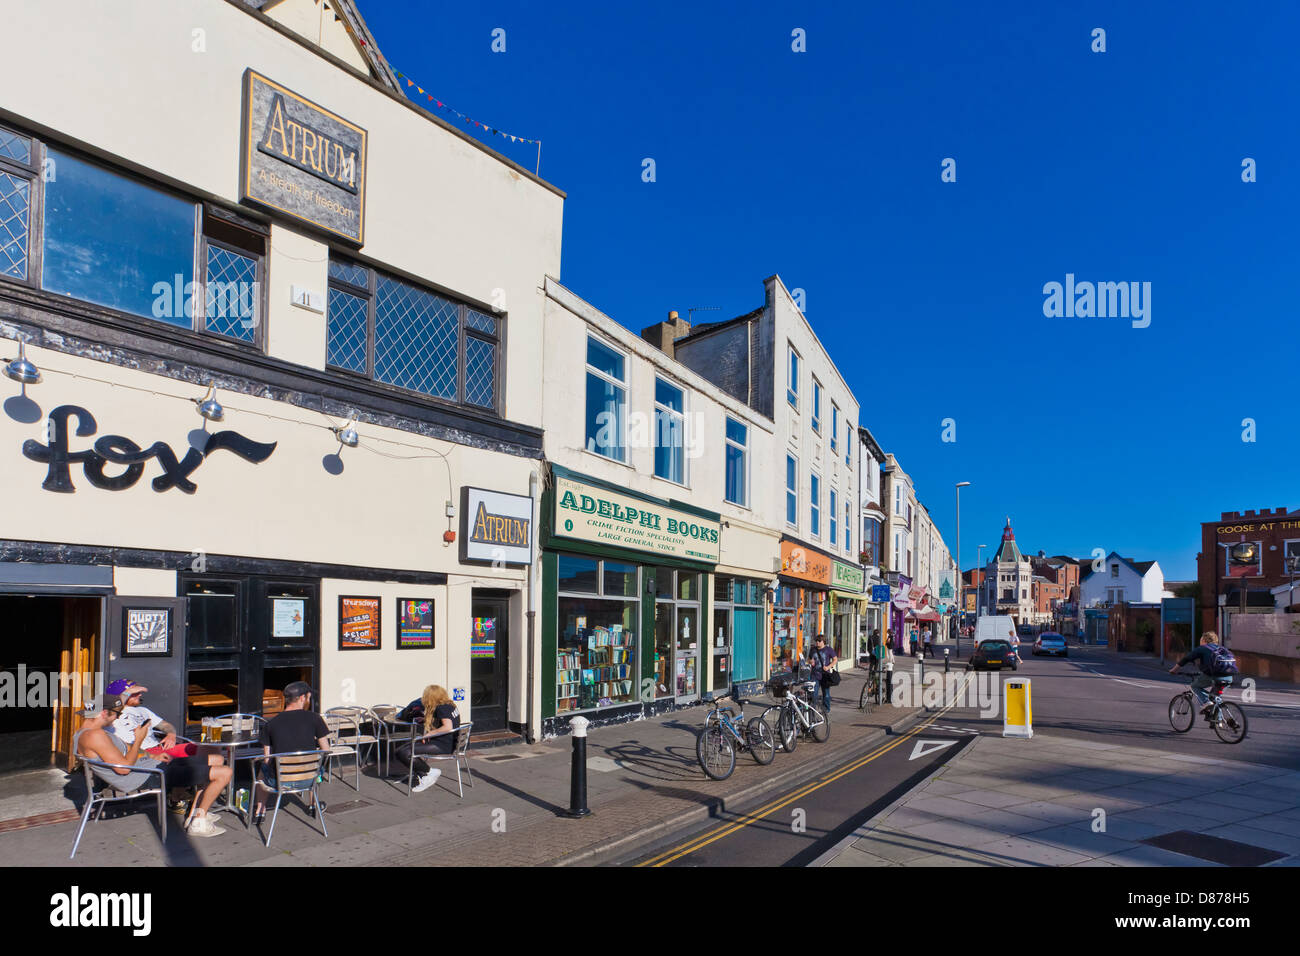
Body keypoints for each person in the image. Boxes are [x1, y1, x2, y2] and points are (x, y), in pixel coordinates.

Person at [77, 693, 232, 837]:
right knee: (225, 772)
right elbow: (123, 769)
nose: (116, 719)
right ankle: (199, 823)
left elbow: (128, 750)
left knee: (216, 759)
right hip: (146, 775)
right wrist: (139, 738)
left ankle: (196, 813)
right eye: (117, 714)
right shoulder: (95, 735)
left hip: (149, 766)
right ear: (104, 713)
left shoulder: (85, 733)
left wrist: (152, 755)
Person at [253, 681, 330, 824]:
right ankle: (313, 805)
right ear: (302, 698)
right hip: (309, 780)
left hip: (280, 782)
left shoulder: (271, 724)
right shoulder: (315, 718)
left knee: (261, 771)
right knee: (317, 766)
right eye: (308, 697)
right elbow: (326, 751)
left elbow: (267, 759)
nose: (309, 700)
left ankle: (260, 811)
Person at [392, 685, 461, 793]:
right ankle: (421, 774)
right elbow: (445, 720)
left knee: (404, 752)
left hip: (442, 745)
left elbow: (448, 727)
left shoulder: (441, 708)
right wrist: (424, 719)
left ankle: (429, 773)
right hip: (449, 743)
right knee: (402, 751)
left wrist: (428, 735)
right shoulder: (449, 705)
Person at [105, 679, 188, 758]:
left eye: (139, 692)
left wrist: (171, 735)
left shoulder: (143, 710)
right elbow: (115, 705)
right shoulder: (111, 713)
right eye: (135, 692)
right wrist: (127, 692)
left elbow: (165, 725)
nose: (140, 694)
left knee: (197, 749)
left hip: (160, 749)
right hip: (141, 754)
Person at [1169, 631, 1233, 716]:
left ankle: (1206, 703)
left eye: (1201, 640)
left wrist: (1174, 670)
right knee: (1216, 698)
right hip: (1229, 677)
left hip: (1214, 676)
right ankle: (1219, 722)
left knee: (1194, 686)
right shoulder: (1223, 649)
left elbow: (1186, 659)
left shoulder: (1203, 648)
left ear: (1204, 640)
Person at [808, 634, 838, 712]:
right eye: (816, 641)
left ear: (823, 641)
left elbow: (835, 659)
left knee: (826, 694)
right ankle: (813, 709)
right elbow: (809, 659)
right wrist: (810, 662)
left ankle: (826, 709)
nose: (817, 642)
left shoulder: (828, 650)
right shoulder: (813, 649)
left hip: (825, 675)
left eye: (819, 641)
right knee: (813, 694)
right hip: (814, 675)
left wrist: (828, 667)